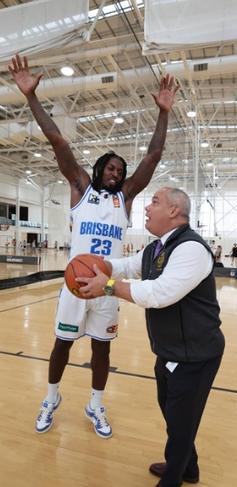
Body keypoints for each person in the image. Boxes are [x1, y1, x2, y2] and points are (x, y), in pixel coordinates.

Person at [8, 53, 179, 438]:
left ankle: (95, 405)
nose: (117, 174)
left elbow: (152, 158)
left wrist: (164, 113)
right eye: (112, 168)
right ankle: (51, 398)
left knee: (102, 350)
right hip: (73, 286)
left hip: (106, 286)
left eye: (121, 171)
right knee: (62, 346)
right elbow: (57, 139)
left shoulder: (126, 199)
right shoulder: (81, 189)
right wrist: (31, 97)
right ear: (100, 168)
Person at [77, 187, 225, 487]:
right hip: (171, 351)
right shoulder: (156, 248)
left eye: (154, 202)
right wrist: (100, 264)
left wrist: (107, 285)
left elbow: (159, 294)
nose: (146, 209)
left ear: (173, 210)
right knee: (174, 415)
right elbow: (127, 266)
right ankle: (189, 469)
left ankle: (173, 478)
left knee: (181, 422)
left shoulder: (191, 249)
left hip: (196, 354)